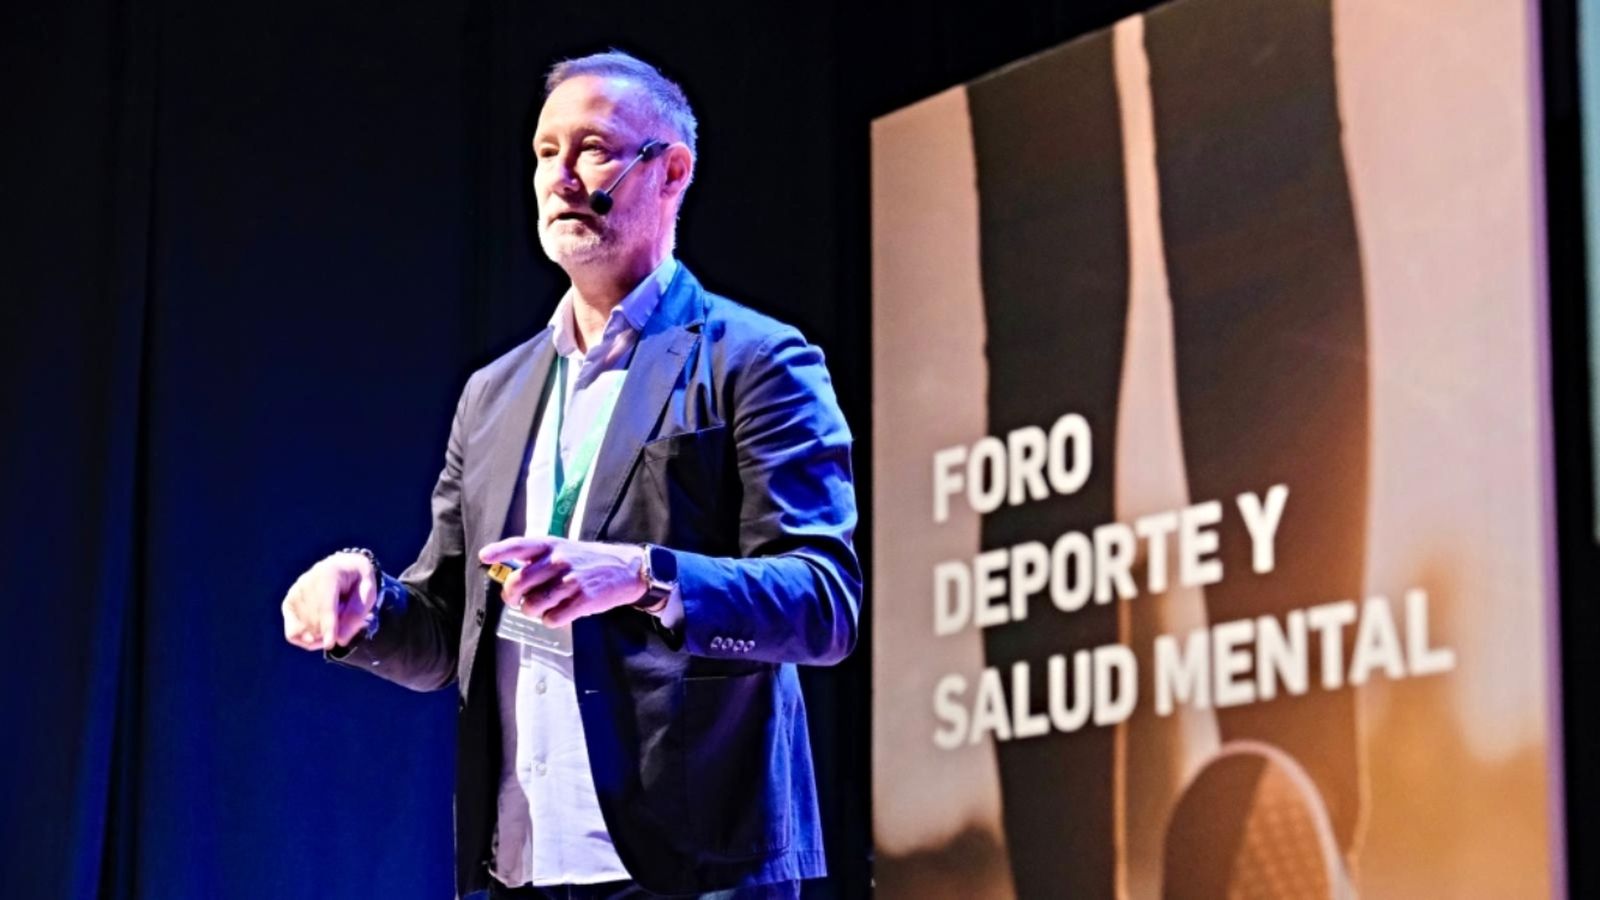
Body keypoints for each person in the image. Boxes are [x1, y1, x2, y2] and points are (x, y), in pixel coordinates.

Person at [278, 50, 860, 900]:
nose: (561, 175)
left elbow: (823, 605)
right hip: (522, 864)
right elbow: (448, 626)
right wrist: (366, 607)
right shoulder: (493, 394)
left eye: (592, 148)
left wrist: (639, 575)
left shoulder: (756, 360)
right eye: (547, 152)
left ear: (672, 172)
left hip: (694, 866)